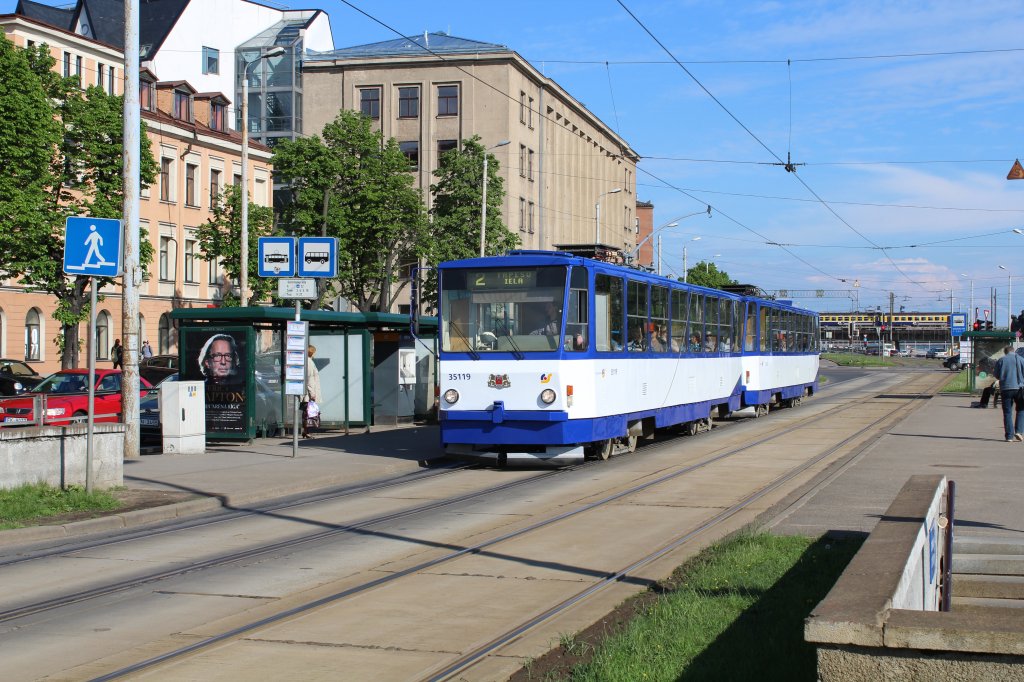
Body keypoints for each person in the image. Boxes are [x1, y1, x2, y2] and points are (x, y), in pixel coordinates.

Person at [994, 345, 1024, 442]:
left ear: (1005, 352)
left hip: (1005, 389)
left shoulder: (1001, 360)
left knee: (1007, 412)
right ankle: (1019, 431)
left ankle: (1009, 436)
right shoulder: (1021, 359)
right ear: (1013, 351)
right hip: (1019, 388)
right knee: (1021, 410)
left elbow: (996, 375)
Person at [302, 344, 322, 439]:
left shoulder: (308, 361)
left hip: (308, 393)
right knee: (308, 413)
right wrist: (312, 394)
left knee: (307, 413)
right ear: (311, 352)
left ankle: (305, 431)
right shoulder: (309, 362)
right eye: (314, 352)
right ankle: (306, 432)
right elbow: (309, 379)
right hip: (308, 394)